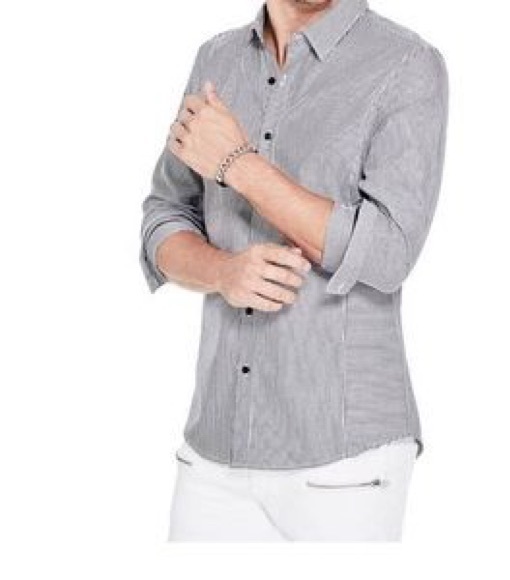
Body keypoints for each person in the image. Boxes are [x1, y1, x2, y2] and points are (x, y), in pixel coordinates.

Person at [139, 0, 448, 542]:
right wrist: (223, 271)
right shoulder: (216, 60)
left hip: (344, 465)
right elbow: (165, 214)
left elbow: (389, 252)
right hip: (214, 452)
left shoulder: (405, 62)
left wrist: (239, 164)